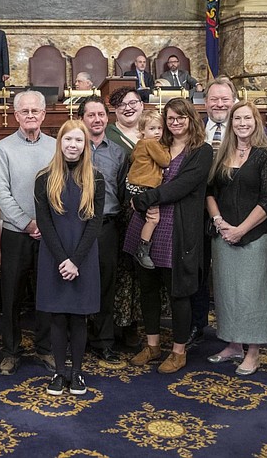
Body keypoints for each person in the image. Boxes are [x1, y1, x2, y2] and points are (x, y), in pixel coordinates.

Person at [125, 98, 212, 374]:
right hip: (148, 222)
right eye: (170, 118)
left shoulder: (201, 151)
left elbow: (181, 186)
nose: (175, 123)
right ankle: (152, 345)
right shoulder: (158, 145)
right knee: (147, 288)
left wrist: (145, 198)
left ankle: (178, 351)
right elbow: (137, 172)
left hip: (178, 228)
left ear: (191, 119)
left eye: (181, 118)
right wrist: (134, 196)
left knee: (178, 293)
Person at [206, 101, 267, 376]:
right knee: (227, 292)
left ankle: (253, 352)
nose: (242, 123)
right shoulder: (221, 153)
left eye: (247, 118)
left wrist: (241, 229)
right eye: (237, 118)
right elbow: (210, 191)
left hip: (257, 235)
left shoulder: (264, 156)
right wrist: (220, 222)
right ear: (230, 123)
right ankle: (234, 344)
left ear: (256, 121)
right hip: (223, 232)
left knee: (253, 295)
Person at [35, 120, 105, 395]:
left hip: (83, 255)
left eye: (78, 141)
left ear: (85, 145)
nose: (73, 145)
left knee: (78, 317)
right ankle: (59, 373)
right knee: (57, 317)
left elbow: (95, 223)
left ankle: (76, 373)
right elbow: (45, 222)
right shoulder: (44, 178)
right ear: (59, 143)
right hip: (53, 255)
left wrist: (75, 260)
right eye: (68, 140)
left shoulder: (95, 178)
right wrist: (63, 259)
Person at [0, 90, 56, 375]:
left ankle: (45, 348)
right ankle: (10, 350)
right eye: (24, 111)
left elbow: (61, 190)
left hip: (49, 234)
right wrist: (27, 223)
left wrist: (46, 225)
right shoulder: (3, 148)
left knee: (46, 293)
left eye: (35, 111)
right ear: (15, 115)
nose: (30, 115)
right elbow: (1, 193)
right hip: (16, 233)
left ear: (43, 114)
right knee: (12, 295)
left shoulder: (56, 146)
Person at [188, 76, 238, 346]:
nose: (219, 104)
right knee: (197, 271)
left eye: (225, 99)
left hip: (233, 214)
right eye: (214, 99)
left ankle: (233, 328)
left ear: (234, 101)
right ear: (204, 103)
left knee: (230, 275)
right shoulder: (195, 131)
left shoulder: (246, 128)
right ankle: (197, 323)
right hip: (197, 213)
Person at [77, 96, 127, 362]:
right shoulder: (71, 147)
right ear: (81, 119)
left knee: (106, 285)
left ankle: (103, 341)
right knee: (77, 282)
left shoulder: (118, 152)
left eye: (101, 115)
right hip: (76, 227)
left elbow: (121, 192)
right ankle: (77, 339)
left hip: (106, 226)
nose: (97, 120)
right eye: (91, 115)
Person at [104, 87, 145, 347]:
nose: (128, 107)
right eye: (122, 104)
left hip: (148, 211)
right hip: (118, 212)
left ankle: (135, 324)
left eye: (133, 102)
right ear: (114, 110)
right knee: (118, 270)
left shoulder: (154, 129)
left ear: (142, 105)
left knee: (141, 268)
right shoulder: (107, 134)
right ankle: (113, 326)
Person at [127, 109, 170, 270]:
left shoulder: (140, 144)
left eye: (159, 128)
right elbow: (165, 161)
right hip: (145, 186)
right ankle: (142, 249)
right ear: (142, 131)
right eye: (152, 129)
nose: (157, 132)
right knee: (153, 219)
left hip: (135, 184)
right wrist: (166, 149)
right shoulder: (151, 143)